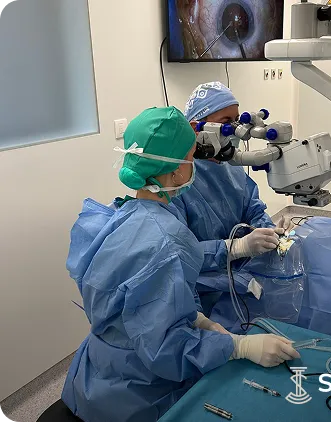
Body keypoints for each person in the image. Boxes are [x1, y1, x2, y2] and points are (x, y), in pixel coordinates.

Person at [62, 107, 300, 422]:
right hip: (137, 394)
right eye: (191, 158)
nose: (196, 165)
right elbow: (165, 350)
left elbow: (126, 303)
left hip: (94, 373)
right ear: (176, 173)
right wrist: (240, 347)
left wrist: (196, 318)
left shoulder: (109, 217)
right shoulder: (166, 240)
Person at [172, 81, 294, 317]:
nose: (236, 130)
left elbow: (252, 209)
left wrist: (268, 231)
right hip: (201, 289)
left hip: (241, 276)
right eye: (226, 122)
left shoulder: (231, 167)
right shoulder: (179, 179)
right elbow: (178, 253)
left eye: (237, 120)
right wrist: (238, 247)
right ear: (197, 128)